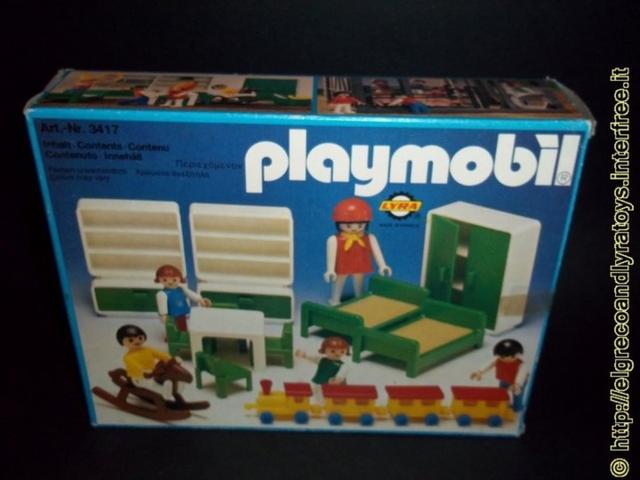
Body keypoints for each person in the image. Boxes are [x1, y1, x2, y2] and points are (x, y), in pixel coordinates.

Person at [324, 198, 392, 305]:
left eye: (360, 225)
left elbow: (377, 251)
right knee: (339, 280)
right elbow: (331, 256)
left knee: (359, 281)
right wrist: (330, 270)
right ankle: (335, 300)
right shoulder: (333, 240)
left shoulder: (369, 238)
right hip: (342, 265)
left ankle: (359, 299)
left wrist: (382, 265)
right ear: (338, 223)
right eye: (349, 226)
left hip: (360, 264)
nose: (354, 229)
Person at [471, 339, 529, 411]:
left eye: (512, 357)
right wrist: (479, 372)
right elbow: (488, 365)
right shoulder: (498, 360)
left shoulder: (521, 364)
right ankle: (504, 404)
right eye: (502, 357)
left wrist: (517, 384)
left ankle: (517, 407)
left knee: (517, 395)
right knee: (501, 393)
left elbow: (522, 374)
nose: (506, 359)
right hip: (504, 380)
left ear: (517, 355)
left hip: (518, 382)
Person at [155, 264, 212, 332]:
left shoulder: (181, 289)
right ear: (159, 279)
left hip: (182, 312)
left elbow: (191, 294)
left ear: (180, 278)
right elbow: (162, 307)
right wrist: (163, 315)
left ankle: (183, 333)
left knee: (183, 325)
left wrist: (200, 300)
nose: (170, 282)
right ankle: (172, 336)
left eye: (174, 279)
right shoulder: (162, 294)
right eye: (165, 280)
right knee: (172, 328)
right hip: (171, 314)